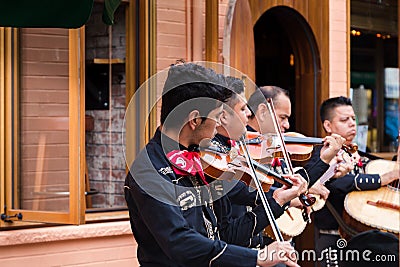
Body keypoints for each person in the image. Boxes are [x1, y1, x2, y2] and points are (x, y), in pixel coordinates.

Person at [124, 62, 299, 267]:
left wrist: (277, 201)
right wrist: (256, 258)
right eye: (217, 117)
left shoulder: (204, 162)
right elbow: (180, 243)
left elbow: (226, 235)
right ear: (195, 120)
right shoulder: (149, 172)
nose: (218, 126)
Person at [210, 77, 307, 249]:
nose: (248, 113)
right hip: (236, 248)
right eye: (243, 108)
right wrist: (284, 197)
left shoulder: (237, 146)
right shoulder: (216, 154)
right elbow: (239, 190)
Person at [308, 96, 399, 267]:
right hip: (333, 238)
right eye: (344, 119)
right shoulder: (321, 156)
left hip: (366, 239)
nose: (352, 123)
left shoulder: (359, 155)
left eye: (353, 119)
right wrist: (381, 179)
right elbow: (339, 183)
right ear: (328, 125)